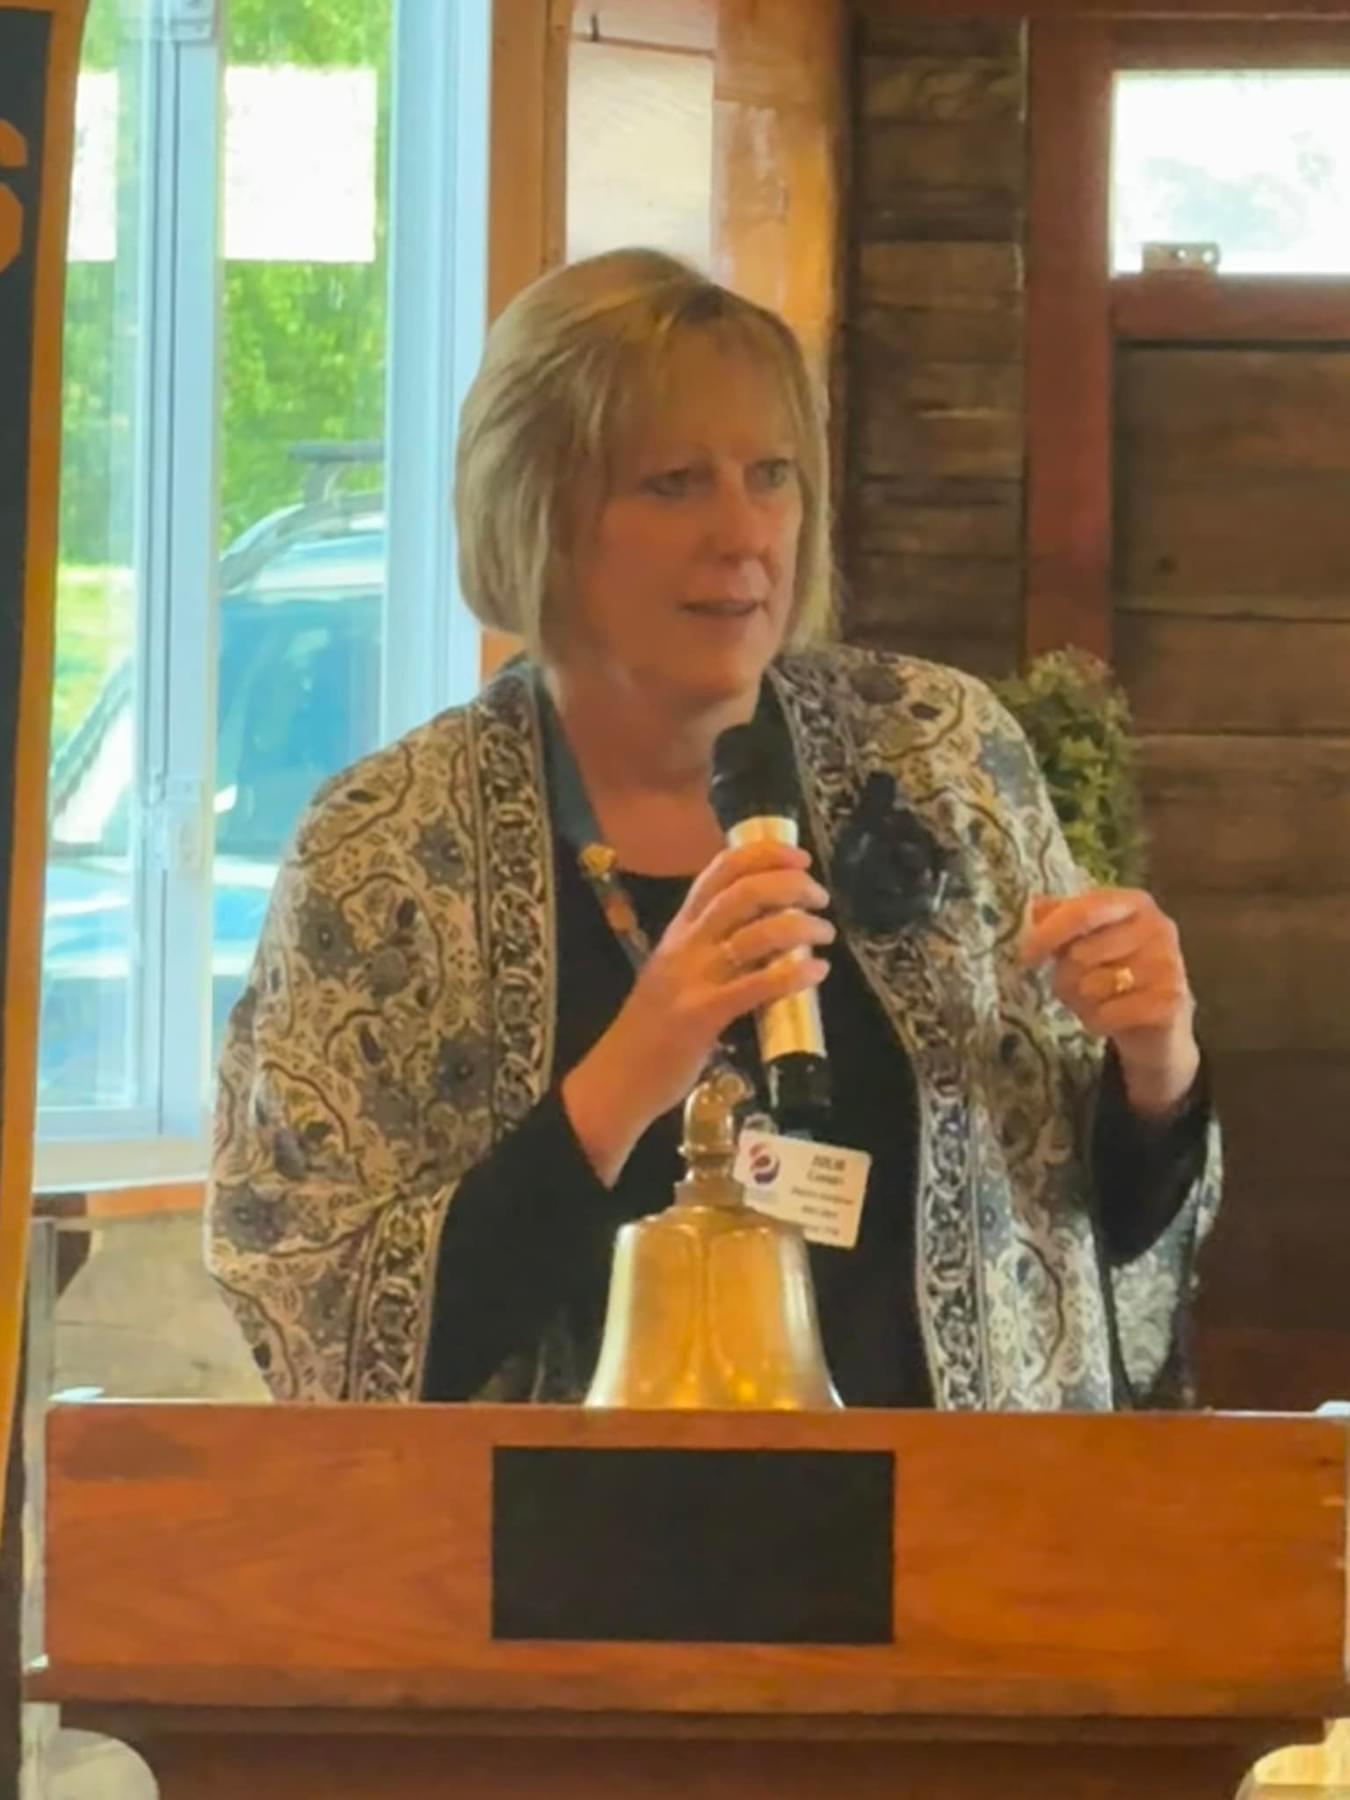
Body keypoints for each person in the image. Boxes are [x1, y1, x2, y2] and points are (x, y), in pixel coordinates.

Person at [207, 247, 1220, 1411]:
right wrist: (636, 1064)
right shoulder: (380, 849)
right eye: (675, 483)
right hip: (561, 1527)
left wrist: (1157, 1066)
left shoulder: (941, 751)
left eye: (772, 475)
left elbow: (1103, 1233)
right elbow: (327, 1338)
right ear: (536, 513)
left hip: (960, 1515)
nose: (744, 534)